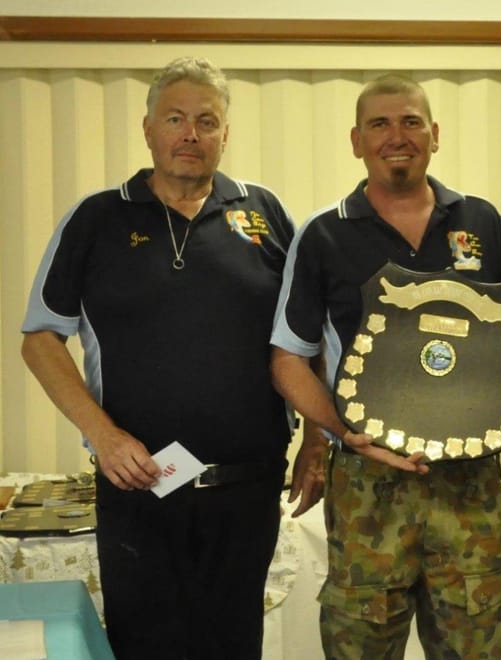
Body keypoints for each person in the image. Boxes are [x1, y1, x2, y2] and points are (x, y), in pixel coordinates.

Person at [20, 56, 311, 660]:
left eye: (207, 121)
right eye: (175, 118)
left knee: (235, 645)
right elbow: (41, 339)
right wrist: (101, 435)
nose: (190, 134)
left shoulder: (266, 215)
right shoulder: (96, 218)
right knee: (146, 646)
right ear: (147, 128)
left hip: (248, 490)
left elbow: (309, 338)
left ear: (226, 134)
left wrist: (319, 441)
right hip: (141, 489)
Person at [270, 74, 501, 659]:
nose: (398, 135)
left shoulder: (482, 221)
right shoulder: (324, 234)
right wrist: (342, 436)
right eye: (380, 124)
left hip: (469, 481)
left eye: (412, 121)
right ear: (356, 140)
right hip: (370, 486)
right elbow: (289, 359)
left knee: (479, 642)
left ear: (435, 135)